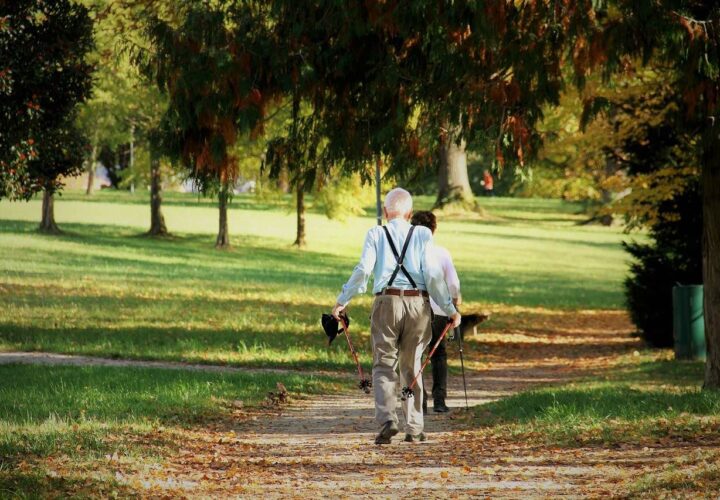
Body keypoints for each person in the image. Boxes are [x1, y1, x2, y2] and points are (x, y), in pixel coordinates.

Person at [332, 188, 461, 445]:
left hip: (386, 302)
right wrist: (450, 309)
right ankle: (414, 427)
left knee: (383, 364)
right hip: (417, 304)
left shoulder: (376, 233)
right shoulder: (422, 234)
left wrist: (341, 301)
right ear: (410, 214)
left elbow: (363, 271)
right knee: (412, 365)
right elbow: (433, 277)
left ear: (384, 212)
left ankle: (388, 420)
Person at [410, 211, 460, 414]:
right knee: (439, 354)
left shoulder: (407, 254)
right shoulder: (441, 253)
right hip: (439, 309)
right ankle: (440, 400)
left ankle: (419, 402)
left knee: (416, 354)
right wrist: (455, 304)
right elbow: (453, 283)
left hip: (414, 309)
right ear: (434, 229)